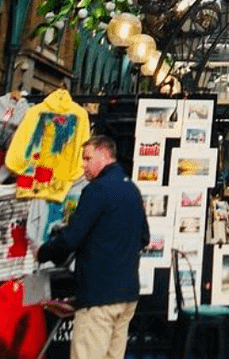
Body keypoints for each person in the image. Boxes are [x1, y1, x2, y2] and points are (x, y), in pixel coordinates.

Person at [35, 134, 149, 359]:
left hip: (99, 297)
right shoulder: (132, 190)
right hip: (127, 295)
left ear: (105, 155)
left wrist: (43, 252)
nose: (83, 165)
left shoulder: (96, 191)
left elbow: (70, 239)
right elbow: (144, 237)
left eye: (87, 158)